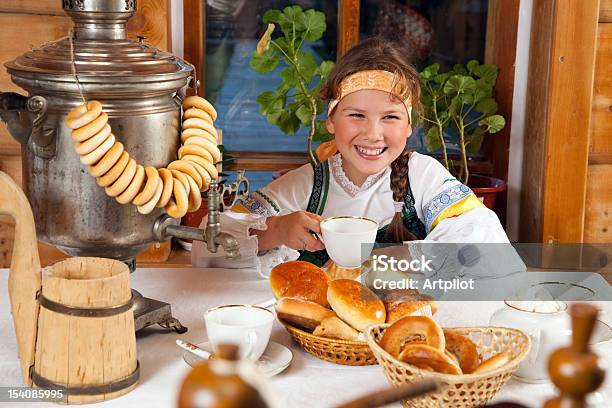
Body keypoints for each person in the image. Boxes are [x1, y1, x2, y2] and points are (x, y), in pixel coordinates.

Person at [192, 37, 510, 279]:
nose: (373, 134)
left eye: (390, 117)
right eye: (357, 115)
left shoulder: (421, 175)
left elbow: (486, 240)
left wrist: (400, 257)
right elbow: (206, 248)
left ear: (409, 124)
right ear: (331, 120)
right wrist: (275, 230)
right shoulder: (306, 186)